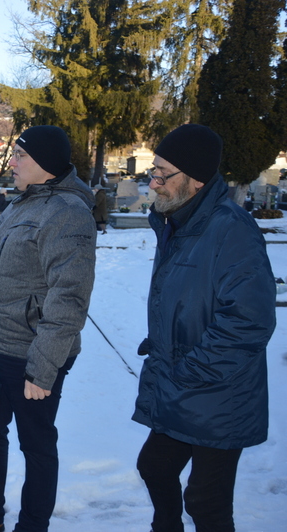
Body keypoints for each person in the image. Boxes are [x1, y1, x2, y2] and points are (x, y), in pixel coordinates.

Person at [133, 124, 275, 532]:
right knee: (155, 467)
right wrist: (163, 344)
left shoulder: (231, 229)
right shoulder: (177, 222)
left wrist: (190, 369)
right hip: (182, 384)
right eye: (153, 172)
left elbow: (249, 320)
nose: (154, 183)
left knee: (205, 502)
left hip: (220, 393)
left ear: (195, 179)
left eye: (163, 174)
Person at [0, 126, 96, 532]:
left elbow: (69, 298)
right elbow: (8, 278)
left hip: (32, 356)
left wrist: (43, 368)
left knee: (36, 445)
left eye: (21, 156)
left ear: (45, 164)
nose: (12, 162)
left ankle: (33, 526)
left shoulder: (66, 213)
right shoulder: (24, 203)